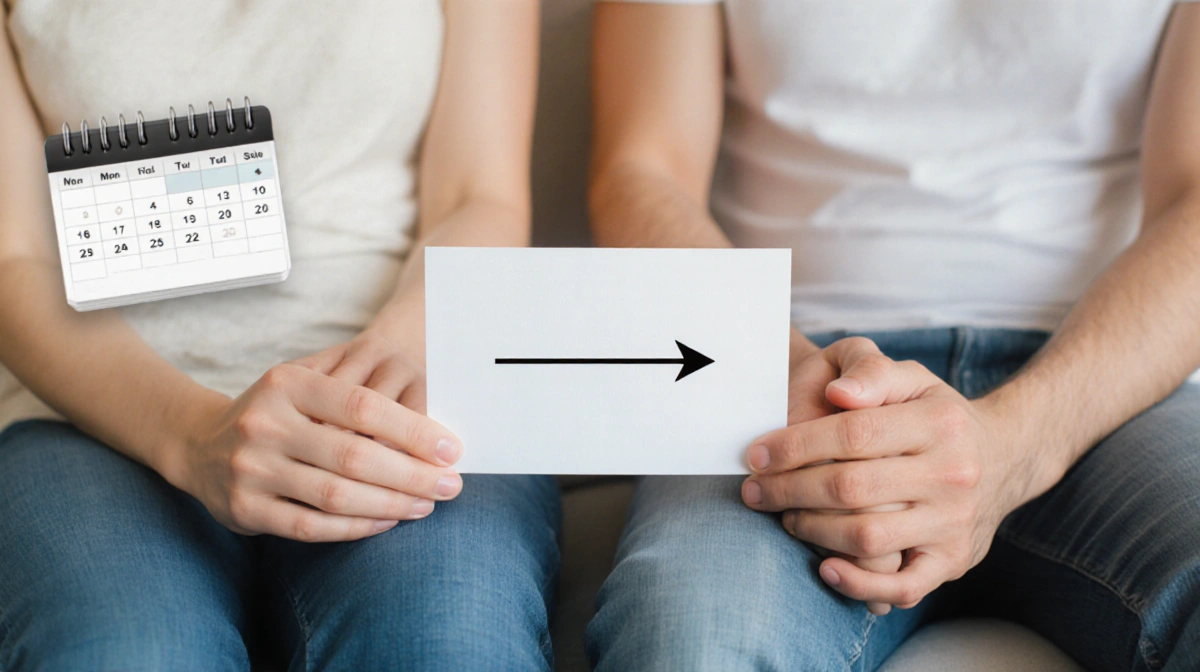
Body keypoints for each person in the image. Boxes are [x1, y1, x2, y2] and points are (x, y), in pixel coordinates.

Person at [586, 1, 1200, 670]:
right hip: (794, 377)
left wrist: (1013, 449)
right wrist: (782, 366)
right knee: (688, 634)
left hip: (1101, 382)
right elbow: (642, 172)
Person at [0, 1, 559, 670]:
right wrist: (194, 436)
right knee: (126, 653)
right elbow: (14, 256)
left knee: (444, 644)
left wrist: (390, 360)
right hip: (98, 409)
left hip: (404, 389)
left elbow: (480, 195)